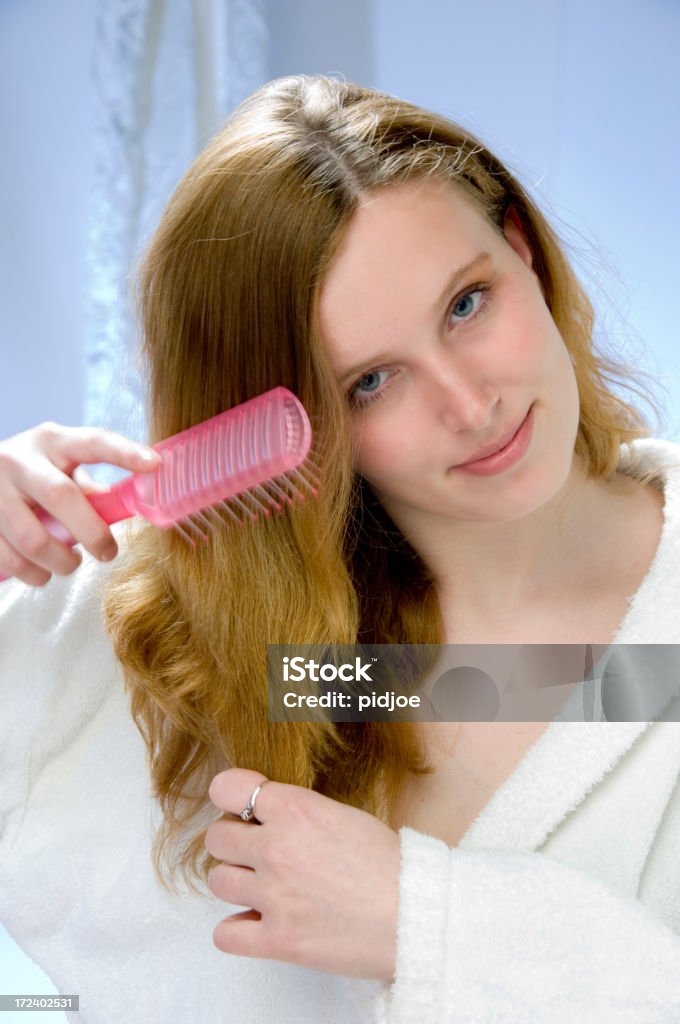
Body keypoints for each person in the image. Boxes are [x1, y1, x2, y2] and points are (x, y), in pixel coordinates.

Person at [1, 74, 680, 1023]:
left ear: (520, 249)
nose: (468, 402)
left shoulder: (661, 651)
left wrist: (428, 926)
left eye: (467, 304)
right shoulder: (138, 634)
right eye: (370, 382)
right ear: (288, 421)